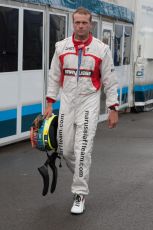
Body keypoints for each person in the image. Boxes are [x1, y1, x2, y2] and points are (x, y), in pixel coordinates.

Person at [44, 7, 119, 214]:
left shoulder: (101, 49)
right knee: (65, 150)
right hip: (67, 102)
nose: (80, 26)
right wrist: (50, 102)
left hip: (89, 102)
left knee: (82, 149)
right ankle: (82, 173)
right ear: (72, 23)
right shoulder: (61, 47)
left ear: (91, 24)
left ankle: (79, 194)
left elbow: (110, 82)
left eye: (84, 23)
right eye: (77, 22)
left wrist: (113, 108)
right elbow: (53, 76)